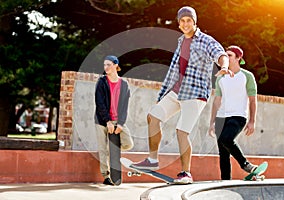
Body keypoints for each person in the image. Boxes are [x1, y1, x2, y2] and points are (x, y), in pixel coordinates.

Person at [131, 6, 233, 184]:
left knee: (182, 131)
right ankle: (152, 160)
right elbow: (173, 72)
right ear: (179, 24)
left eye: (189, 20)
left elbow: (220, 54)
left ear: (195, 22)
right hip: (177, 90)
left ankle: (186, 173)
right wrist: (163, 94)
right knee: (153, 117)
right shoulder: (180, 41)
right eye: (183, 21)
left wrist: (224, 66)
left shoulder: (205, 40)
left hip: (195, 93)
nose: (186, 24)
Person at [208, 45, 258, 180]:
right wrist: (212, 122)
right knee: (223, 154)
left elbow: (253, 100)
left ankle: (245, 164)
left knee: (226, 139)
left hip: (238, 116)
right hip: (221, 117)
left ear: (238, 58)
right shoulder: (221, 78)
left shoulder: (247, 76)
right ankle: (225, 183)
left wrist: (252, 121)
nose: (226, 58)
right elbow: (217, 101)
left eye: (229, 55)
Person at [95, 55, 134, 185]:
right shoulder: (102, 82)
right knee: (103, 149)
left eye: (108, 65)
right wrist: (107, 121)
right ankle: (106, 176)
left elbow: (125, 107)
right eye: (104, 65)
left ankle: (114, 150)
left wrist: (121, 124)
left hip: (117, 120)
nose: (106, 67)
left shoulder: (124, 85)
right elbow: (99, 103)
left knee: (128, 143)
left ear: (116, 65)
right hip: (102, 121)